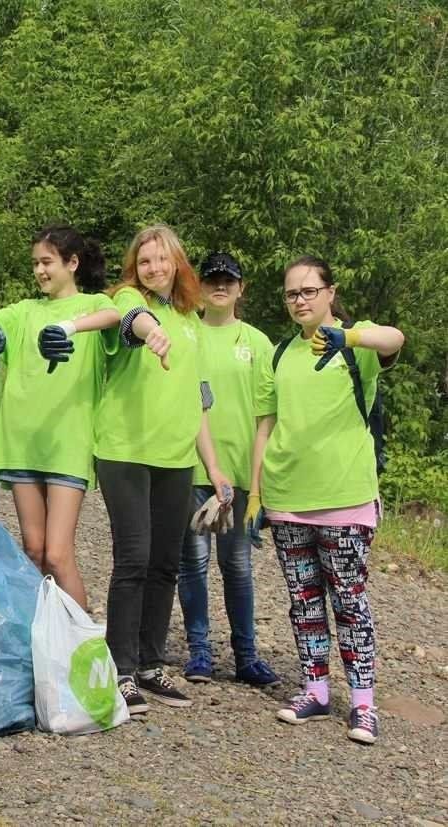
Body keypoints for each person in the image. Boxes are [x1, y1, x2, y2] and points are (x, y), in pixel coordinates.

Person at [250, 255, 403, 745]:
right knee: (303, 602)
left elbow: (396, 340)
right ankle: (315, 689)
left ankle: (362, 703)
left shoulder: (357, 342)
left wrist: (350, 338)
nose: (300, 300)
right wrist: (256, 495)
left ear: (330, 292)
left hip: (345, 496)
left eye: (309, 291)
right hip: (288, 497)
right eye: (292, 293)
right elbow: (265, 426)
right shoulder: (279, 354)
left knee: (350, 602)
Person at [0, 224, 119, 608]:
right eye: (35, 263)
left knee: (58, 553)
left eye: (47, 262)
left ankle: (83, 645)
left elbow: (114, 315)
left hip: (67, 443)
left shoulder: (92, 305)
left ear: (72, 263)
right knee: (33, 551)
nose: (39, 271)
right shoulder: (25, 310)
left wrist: (68, 327)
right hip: (21, 443)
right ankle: (46, 641)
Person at [93, 224, 232, 715]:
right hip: (124, 451)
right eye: (145, 260)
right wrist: (150, 332)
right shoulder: (131, 298)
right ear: (137, 266)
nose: (154, 268)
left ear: (178, 263)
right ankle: (121, 669)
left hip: (176, 458)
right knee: (133, 557)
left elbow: (198, 401)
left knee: (165, 562)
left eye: (163, 260)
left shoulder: (191, 319)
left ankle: (151, 664)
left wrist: (214, 469)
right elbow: (131, 320)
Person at [177, 251, 280, 688]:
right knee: (193, 564)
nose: (220, 286)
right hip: (188, 466)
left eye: (229, 280)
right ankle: (199, 651)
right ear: (199, 285)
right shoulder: (185, 333)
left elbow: (266, 419)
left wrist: (258, 486)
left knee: (237, 565)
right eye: (212, 279)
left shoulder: (257, 343)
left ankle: (246, 655)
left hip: (238, 473)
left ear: (242, 288)